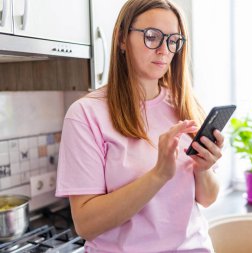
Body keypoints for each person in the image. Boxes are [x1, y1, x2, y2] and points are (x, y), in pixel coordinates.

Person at [55, 0, 224, 252]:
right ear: (122, 39)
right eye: (152, 36)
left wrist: (204, 168)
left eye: (173, 40)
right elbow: (86, 225)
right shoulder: (85, 115)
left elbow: (207, 199)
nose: (164, 50)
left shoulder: (186, 105)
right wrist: (158, 175)